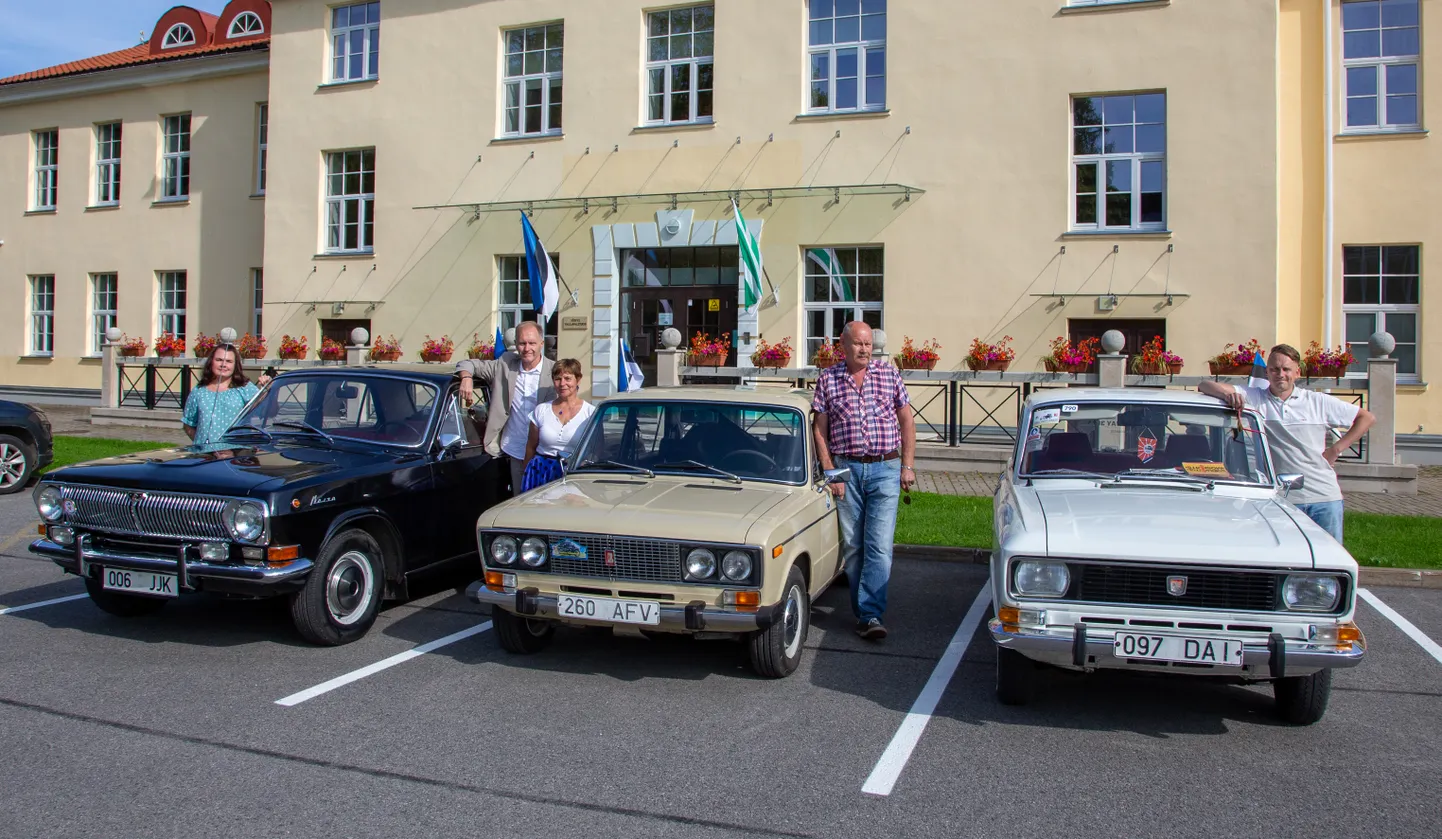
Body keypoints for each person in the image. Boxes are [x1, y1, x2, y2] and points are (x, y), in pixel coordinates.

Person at [1198, 343, 1375, 541]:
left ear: (1297, 372)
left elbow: (1366, 418)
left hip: (1324, 498)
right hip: (1282, 500)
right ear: (1267, 373)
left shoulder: (1318, 402)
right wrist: (1227, 395)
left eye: (1286, 369)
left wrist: (1336, 449)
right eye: (1274, 369)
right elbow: (1204, 385)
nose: (1280, 374)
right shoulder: (1255, 398)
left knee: (1326, 564)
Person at [812, 321, 917, 640]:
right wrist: (831, 472)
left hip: (886, 467)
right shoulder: (828, 379)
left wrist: (907, 466)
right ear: (843, 345)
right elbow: (820, 429)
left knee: (880, 545)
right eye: (858, 343)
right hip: (846, 468)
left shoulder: (889, 374)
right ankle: (865, 611)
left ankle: (870, 613)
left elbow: (906, 420)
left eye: (869, 344)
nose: (864, 349)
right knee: (855, 546)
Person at [456, 321, 555, 498]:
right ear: (516, 344)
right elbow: (467, 363)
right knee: (519, 503)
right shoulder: (505, 364)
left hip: (546, 453)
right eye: (522, 343)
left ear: (541, 343)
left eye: (532, 343)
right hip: (515, 450)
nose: (527, 348)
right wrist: (466, 378)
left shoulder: (555, 372)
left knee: (546, 505)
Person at [520, 358, 595, 492]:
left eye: (567, 378)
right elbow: (530, 447)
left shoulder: (590, 413)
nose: (562, 384)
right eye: (558, 379)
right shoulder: (541, 410)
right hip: (540, 472)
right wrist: (525, 475)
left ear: (578, 379)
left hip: (573, 473)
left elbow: (596, 451)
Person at [182, 343, 272, 448]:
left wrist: (268, 390)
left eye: (229, 361)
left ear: (235, 365)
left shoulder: (245, 388)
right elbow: (188, 424)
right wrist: (202, 444)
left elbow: (268, 412)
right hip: (205, 457)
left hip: (236, 456)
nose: (223, 365)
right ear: (211, 362)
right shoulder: (199, 391)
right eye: (219, 360)